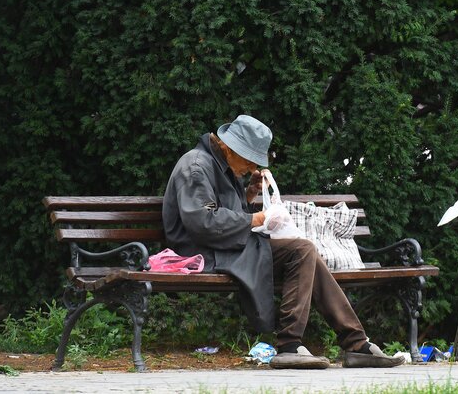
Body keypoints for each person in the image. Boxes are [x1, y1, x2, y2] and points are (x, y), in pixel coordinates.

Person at [162, 114, 404, 369]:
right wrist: (257, 219)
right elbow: (204, 223)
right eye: (249, 158)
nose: (251, 167)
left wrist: (250, 194)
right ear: (229, 147)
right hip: (201, 256)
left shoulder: (221, 164)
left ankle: (355, 343)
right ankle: (297, 345)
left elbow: (223, 213)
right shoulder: (197, 165)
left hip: (226, 248)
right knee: (301, 250)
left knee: (304, 251)